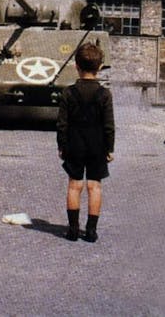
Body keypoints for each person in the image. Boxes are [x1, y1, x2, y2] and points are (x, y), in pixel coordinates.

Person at [56, 42, 115, 242]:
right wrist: (110, 148)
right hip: (97, 145)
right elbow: (109, 125)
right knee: (94, 186)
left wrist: (62, 145)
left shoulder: (68, 93)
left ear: (76, 66)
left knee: (74, 185)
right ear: (100, 67)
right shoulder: (105, 94)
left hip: (74, 144)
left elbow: (62, 124)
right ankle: (91, 231)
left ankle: (73, 230)